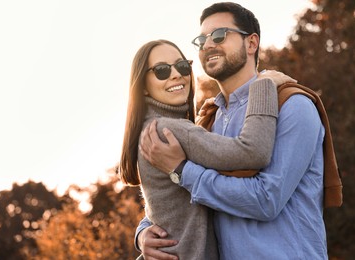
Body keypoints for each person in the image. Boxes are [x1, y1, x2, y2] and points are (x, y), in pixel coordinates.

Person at [138, 2, 331, 259]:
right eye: (202, 39)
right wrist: (142, 233)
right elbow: (175, 199)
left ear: (251, 44)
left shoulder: (293, 106)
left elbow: (266, 200)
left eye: (219, 35)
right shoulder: (210, 121)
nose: (208, 45)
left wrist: (182, 171)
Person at [119, 38, 295, 259]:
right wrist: (263, 85)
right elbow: (252, 152)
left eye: (182, 66)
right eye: (162, 70)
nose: (176, 74)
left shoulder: (152, 128)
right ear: (142, 86)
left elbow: (167, 207)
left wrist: (141, 233)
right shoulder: (169, 130)